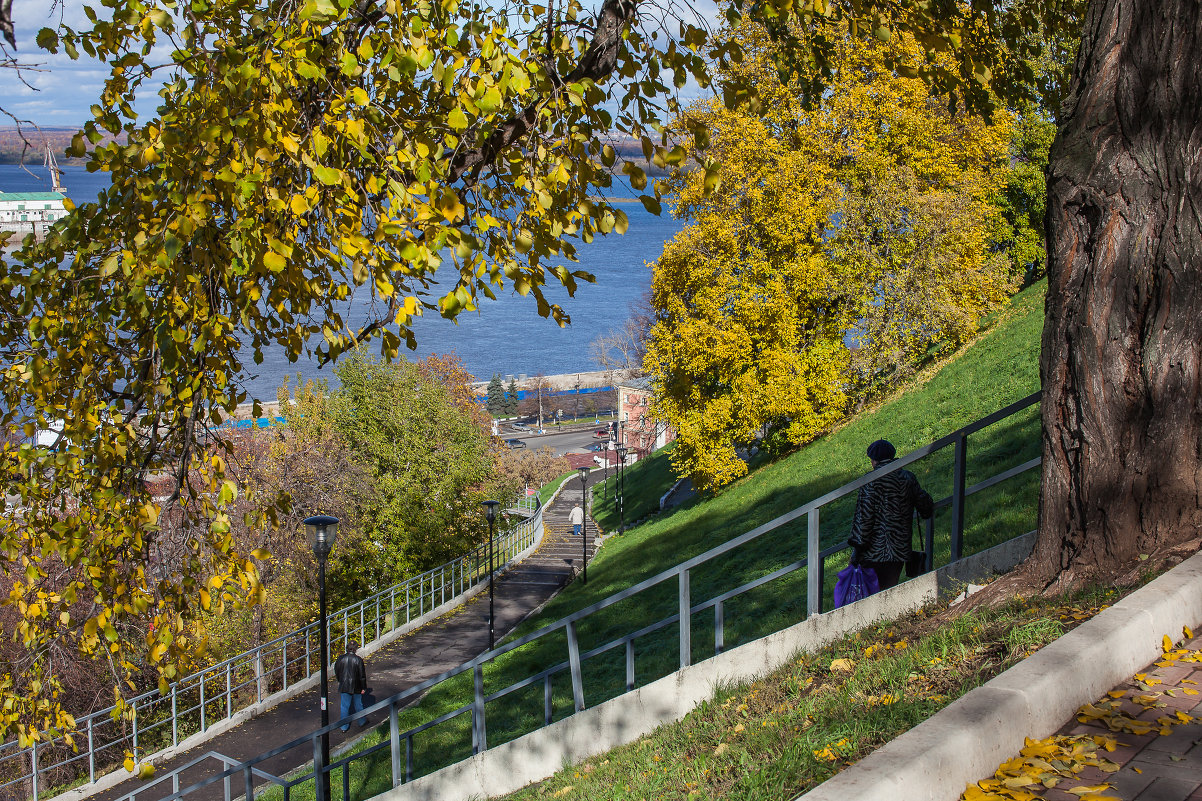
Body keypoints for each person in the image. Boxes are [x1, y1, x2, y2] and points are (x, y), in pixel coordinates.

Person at [847, 439, 934, 590]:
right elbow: (925, 505)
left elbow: (864, 519)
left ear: (873, 460)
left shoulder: (871, 481)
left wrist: (857, 551)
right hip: (899, 549)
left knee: (868, 594)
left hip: (873, 551)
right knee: (888, 589)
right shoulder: (907, 477)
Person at [334, 641, 369, 732]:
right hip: (356, 685)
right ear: (355, 649)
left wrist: (340, 680)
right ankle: (361, 721)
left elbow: (337, 671)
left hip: (344, 685)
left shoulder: (340, 658)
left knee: (345, 706)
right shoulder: (358, 660)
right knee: (358, 704)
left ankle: (344, 727)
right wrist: (363, 687)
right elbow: (362, 676)